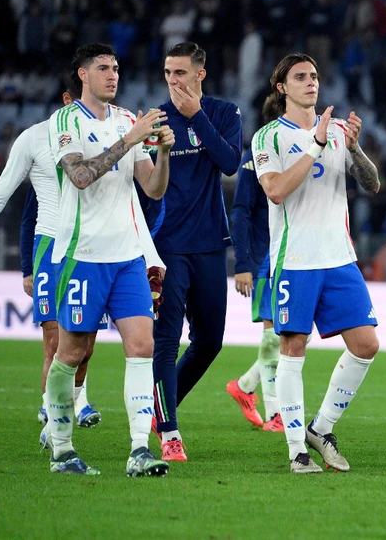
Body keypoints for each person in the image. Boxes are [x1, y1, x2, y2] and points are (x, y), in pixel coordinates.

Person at [43, 43, 174, 476]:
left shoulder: (126, 120)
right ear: (82, 74)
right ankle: (61, 448)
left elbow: (152, 189)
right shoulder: (65, 120)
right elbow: (80, 177)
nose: (112, 74)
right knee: (73, 352)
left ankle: (139, 450)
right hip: (82, 256)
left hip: (127, 257)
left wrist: (163, 153)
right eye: (103, 68)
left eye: (116, 67)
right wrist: (130, 140)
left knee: (142, 345)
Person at [0, 80, 110, 429]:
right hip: (51, 248)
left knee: (85, 350)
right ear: (68, 98)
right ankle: (53, 419)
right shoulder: (34, 138)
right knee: (54, 342)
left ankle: (76, 401)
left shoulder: (106, 133)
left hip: (92, 249)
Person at [253, 53, 383, 474]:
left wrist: (356, 148)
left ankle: (321, 427)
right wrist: (316, 144)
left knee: (366, 345)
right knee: (293, 348)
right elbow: (276, 191)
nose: (311, 82)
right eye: (300, 77)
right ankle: (296, 452)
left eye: (314, 75)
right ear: (281, 88)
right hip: (295, 259)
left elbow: (372, 184)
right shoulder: (267, 138)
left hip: (339, 257)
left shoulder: (340, 133)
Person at [147, 42, 243, 462]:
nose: (173, 81)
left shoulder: (223, 113)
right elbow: (144, 185)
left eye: (181, 73)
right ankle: (169, 430)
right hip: (166, 245)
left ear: (200, 74)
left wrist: (196, 117)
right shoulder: (154, 120)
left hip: (208, 245)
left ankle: (161, 407)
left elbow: (230, 163)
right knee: (166, 341)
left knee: (209, 341)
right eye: (168, 73)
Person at [225, 146, 283, 432]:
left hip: (297, 258)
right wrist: (243, 263)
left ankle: (245, 385)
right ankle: (276, 414)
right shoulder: (255, 160)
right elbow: (241, 212)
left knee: (298, 336)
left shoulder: (305, 151)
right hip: (265, 260)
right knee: (274, 337)